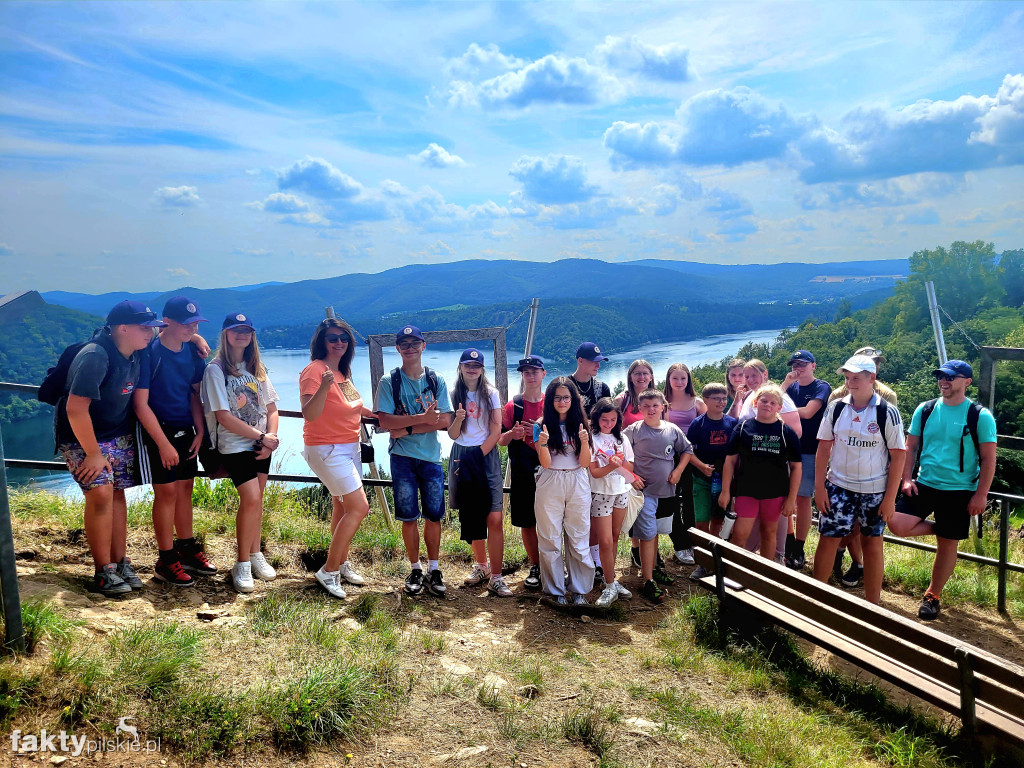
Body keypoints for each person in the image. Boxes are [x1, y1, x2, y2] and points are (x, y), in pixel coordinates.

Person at [57, 301, 166, 595]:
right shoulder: (96, 356)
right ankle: (102, 571)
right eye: (145, 328)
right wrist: (93, 453)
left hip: (116, 434)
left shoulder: (135, 352)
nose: (150, 333)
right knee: (101, 493)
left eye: (152, 328)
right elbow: (76, 409)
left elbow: (168, 340)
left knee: (117, 494)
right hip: (81, 436)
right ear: (123, 328)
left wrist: (193, 337)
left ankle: (120, 563)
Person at [888, 360, 997, 620]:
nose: (943, 380)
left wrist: (981, 495)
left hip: (960, 489)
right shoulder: (925, 410)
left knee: (947, 546)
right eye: (940, 376)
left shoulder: (979, 416)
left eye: (951, 376)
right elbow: (910, 447)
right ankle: (949, 530)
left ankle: (932, 596)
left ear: (967, 382)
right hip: (924, 483)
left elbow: (989, 459)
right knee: (897, 525)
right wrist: (906, 478)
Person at [811, 356, 905, 604]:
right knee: (828, 538)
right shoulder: (836, 407)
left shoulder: (887, 412)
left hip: (874, 490)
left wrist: (890, 499)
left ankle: (872, 606)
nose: (850, 383)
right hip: (838, 486)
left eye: (856, 378)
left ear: (871, 379)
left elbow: (898, 456)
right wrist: (819, 488)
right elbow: (823, 449)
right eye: (847, 377)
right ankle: (815, 600)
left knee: (873, 544)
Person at [133, 296, 213, 588]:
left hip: (185, 428)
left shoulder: (191, 351)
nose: (191, 328)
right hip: (158, 430)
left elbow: (195, 394)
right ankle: (166, 559)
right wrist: (163, 444)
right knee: (166, 493)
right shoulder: (150, 353)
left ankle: (187, 548)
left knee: (185, 489)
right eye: (186, 323)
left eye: (195, 323)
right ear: (167, 322)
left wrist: (200, 430)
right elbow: (141, 404)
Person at [201, 312, 281, 593]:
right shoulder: (216, 370)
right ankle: (242, 563)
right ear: (225, 335)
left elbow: (271, 408)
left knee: (257, 501)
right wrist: (262, 437)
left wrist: (270, 437)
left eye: (247, 330)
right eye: (236, 330)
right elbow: (222, 415)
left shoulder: (256, 367)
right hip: (235, 445)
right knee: (250, 499)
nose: (242, 335)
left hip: (261, 444)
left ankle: (256, 553)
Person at [374, 325, 453, 597]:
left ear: (423, 346)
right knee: (408, 517)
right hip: (402, 459)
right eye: (404, 344)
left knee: (434, 515)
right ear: (397, 348)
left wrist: (406, 428)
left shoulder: (435, 379)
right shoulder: (389, 381)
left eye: (414, 343)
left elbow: (444, 420)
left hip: (430, 457)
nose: (409, 348)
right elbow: (384, 421)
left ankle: (434, 567)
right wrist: (422, 419)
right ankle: (415, 567)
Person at [300, 317, 375, 599]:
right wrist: (322, 386)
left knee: (343, 507)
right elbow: (309, 412)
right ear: (322, 341)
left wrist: (374, 414)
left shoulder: (342, 372)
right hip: (327, 448)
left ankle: (341, 563)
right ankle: (328, 571)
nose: (339, 342)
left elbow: (351, 406)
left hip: (349, 446)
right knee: (359, 507)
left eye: (344, 338)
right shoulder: (315, 371)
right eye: (332, 338)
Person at [827, 345, 897, 586]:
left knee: (862, 531)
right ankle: (849, 562)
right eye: (849, 376)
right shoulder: (837, 398)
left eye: (876, 361)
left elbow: (894, 447)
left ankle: (856, 566)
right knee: (843, 529)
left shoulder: (887, 400)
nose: (851, 382)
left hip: (874, 477)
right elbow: (829, 439)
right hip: (841, 476)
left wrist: (891, 491)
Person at [448, 348, 510, 597]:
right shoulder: (454, 394)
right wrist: (458, 418)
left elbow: (496, 430)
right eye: (467, 365)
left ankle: (496, 576)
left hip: (484, 456)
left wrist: (478, 454)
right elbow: (453, 434)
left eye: (476, 365)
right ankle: (482, 567)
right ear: (461, 367)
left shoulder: (491, 393)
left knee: (494, 517)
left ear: (482, 369)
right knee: (472, 514)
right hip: (461, 455)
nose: (472, 369)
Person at [624, 389, 693, 603]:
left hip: (667, 492)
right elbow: (618, 453)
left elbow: (687, 450)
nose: (651, 410)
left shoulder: (671, 430)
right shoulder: (633, 431)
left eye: (655, 405)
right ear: (639, 409)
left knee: (656, 533)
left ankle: (653, 569)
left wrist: (679, 471)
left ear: (663, 406)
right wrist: (631, 476)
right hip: (645, 493)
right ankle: (648, 580)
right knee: (647, 534)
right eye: (646, 406)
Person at [719, 384, 802, 560]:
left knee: (769, 534)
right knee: (740, 534)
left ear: (779, 408)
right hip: (746, 491)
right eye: (764, 401)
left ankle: (764, 576)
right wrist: (725, 491)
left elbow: (796, 467)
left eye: (773, 403)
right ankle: (734, 573)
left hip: (775, 493)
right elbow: (730, 460)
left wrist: (792, 499)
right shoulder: (742, 428)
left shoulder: (786, 432)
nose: (768, 405)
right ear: (756, 402)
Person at [535, 377, 594, 606]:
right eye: (557, 397)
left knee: (579, 536)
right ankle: (555, 590)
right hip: (551, 479)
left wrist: (584, 441)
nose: (562, 401)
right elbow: (546, 463)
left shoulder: (581, 424)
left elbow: (586, 462)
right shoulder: (540, 425)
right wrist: (542, 444)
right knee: (549, 536)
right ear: (550, 400)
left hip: (577, 478)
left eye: (566, 397)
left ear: (573, 399)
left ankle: (579, 589)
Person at [498, 355, 546, 591]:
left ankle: (553, 565)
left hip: (550, 470)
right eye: (526, 372)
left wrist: (539, 428)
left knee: (554, 520)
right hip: (522, 470)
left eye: (534, 371)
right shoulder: (513, 406)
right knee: (527, 521)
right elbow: (501, 440)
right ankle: (536, 566)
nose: (530, 375)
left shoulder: (554, 403)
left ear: (543, 374)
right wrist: (513, 435)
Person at [781, 350, 832, 570]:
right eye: (794, 365)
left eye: (803, 364)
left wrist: (780, 411)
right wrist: (784, 384)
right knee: (784, 496)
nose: (798, 368)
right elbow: (769, 400)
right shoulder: (790, 388)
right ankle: (788, 542)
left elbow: (810, 412)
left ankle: (798, 547)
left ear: (814, 365)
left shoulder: (821, 387)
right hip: (787, 448)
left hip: (810, 450)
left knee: (802, 499)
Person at [685, 382, 738, 580]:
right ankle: (702, 562)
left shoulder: (732, 424)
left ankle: (715, 561)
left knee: (717, 521)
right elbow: (688, 451)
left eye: (724, 398)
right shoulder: (698, 424)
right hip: (701, 479)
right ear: (705, 400)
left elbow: (734, 455)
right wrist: (701, 467)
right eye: (716, 399)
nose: (721, 402)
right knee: (701, 522)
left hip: (724, 482)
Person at [588, 398, 635, 607]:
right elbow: (595, 472)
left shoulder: (622, 438)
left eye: (613, 420)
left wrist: (620, 462)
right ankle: (608, 584)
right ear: (596, 418)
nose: (608, 424)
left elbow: (630, 468)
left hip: (621, 491)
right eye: (604, 419)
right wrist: (612, 465)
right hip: (600, 493)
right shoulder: (591, 439)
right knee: (604, 540)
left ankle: (611, 580)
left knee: (615, 536)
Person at [663, 362, 706, 566]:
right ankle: (680, 544)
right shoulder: (663, 402)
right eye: (675, 378)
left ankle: (692, 541)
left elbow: (710, 424)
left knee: (690, 500)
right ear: (668, 380)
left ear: (688, 379)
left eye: (683, 378)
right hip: (669, 458)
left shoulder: (695, 402)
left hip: (692, 457)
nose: (679, 382)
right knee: (671, 501)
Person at [569, 342, 611, 415]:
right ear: (580, 361)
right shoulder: (565, 386)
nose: (598, 366)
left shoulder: (602, 389)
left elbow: (607, 418)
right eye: (594, 361)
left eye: (599, 362)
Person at [614, 359, 654, 427]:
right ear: (630, 377)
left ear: (651, 377)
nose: (641, 377)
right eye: (637, 373)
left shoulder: (659, 400)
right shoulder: (621, 400)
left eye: (645, 373)